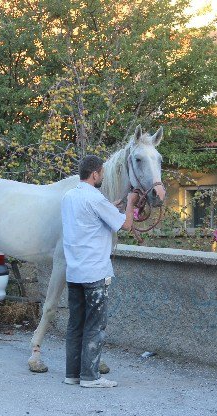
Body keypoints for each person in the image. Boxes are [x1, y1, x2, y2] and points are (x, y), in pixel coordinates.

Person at [61, 155, 138, 388]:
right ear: (94, 174)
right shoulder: (96, 198)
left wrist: (111, 208)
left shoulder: (68, 196)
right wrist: (131, 202)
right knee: (95, 325)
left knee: (75, 325)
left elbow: (89, 218)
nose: (102, 176)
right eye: (102, 173)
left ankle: (72, 375)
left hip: (74, 271)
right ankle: (90, 377)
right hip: (94, 273)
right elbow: (125, 225)